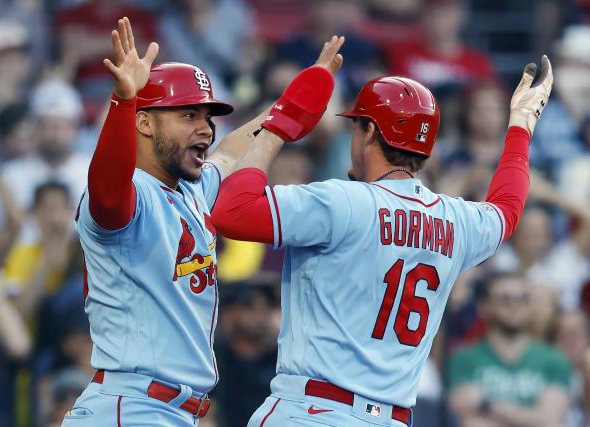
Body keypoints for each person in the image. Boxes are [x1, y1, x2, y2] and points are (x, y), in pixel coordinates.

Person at [211, 53, 554, 425]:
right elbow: (508, 207)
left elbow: (233, 212)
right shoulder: (458, 220)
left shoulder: (341, 201)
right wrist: (521, 126)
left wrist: (280, 124)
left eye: (357, 126)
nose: (352, 136)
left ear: (370, 131)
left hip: (311, 411)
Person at [62, 17, 343, 427]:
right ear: (145, 122)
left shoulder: (191, 189)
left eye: (207, 118)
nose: (205, 129)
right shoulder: (128, 197)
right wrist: (123, 102)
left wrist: (290, 105)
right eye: (189, 115)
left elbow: (230, 153)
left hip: (170, 410)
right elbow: (106, 189)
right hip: (132, 406)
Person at [449, 273, 570, 427]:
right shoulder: (464, 359)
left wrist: (486, 404)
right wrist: (532, 417)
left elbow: (550, 421)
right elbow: (468, 422)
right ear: (484, 307)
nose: (514, 304)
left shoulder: (554, 360)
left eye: (523, 298)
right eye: (505, 298)